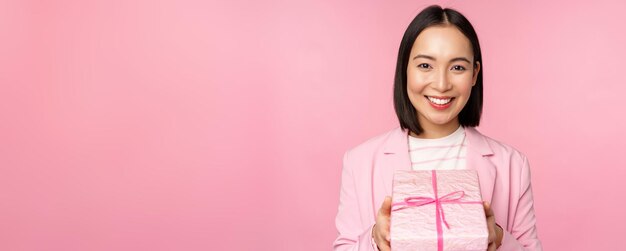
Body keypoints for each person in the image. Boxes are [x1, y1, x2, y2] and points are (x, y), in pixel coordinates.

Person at [332, 5, 542, 251]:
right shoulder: (360, 161)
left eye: (457, 68)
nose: (441, 84)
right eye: (425, 66)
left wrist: (498, 237)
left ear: (474, 74)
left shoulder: (512, 165)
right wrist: (374, 240)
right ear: (405, 69)